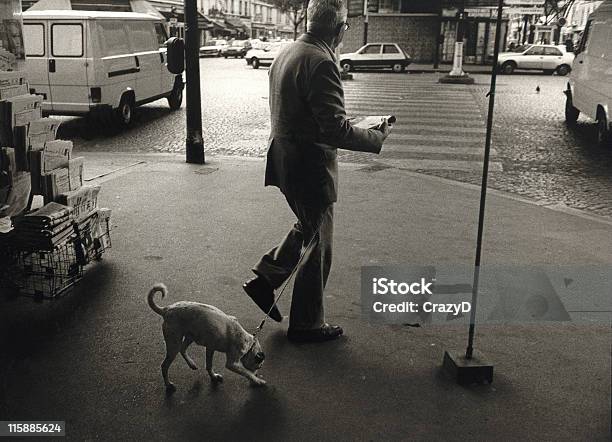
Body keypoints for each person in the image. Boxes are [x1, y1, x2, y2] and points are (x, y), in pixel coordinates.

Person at [243, 0, 391, 343]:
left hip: (285, 158)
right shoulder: (322, 62)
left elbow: (306, 113)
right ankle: (307, 324)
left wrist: (348, 124)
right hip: (309, 167)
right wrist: (375, 135)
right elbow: (334, 131)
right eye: (345, 27)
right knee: (319, 242)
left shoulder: (288, 51)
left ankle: (266, 278)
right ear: (337, 28)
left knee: (307, 227)